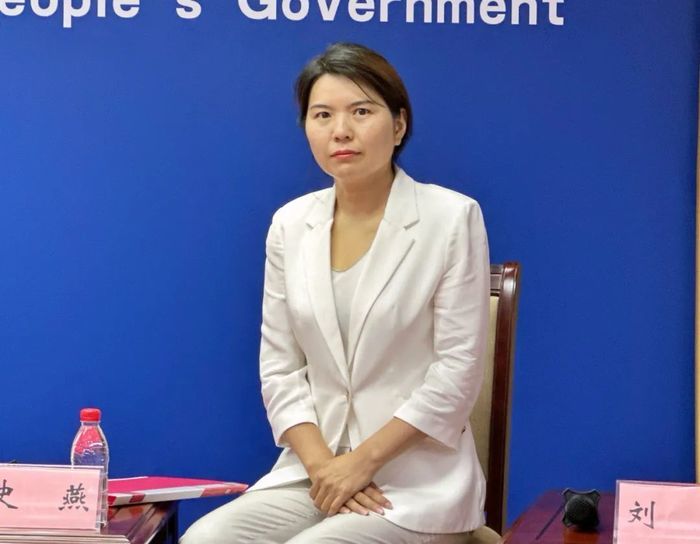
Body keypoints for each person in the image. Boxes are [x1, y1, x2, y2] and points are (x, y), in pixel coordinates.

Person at [181, 42, 491, 544]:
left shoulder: (451, 218)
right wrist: (326, 468)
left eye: (361, 112)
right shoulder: (290, 224)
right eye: (322, 114)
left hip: (415, 483)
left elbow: (457, 372)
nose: (340, 130)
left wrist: (361, 464)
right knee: (205, 539)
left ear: (399, 125)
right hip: (314, 474)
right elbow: (279, 369)